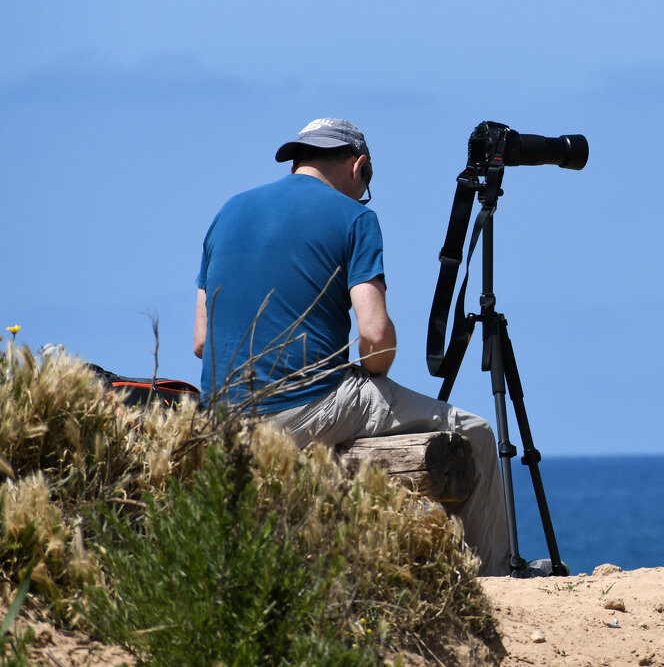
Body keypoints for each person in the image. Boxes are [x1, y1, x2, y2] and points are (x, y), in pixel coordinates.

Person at [192, 118, 512, 576]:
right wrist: (370, 371)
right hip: (302, 410)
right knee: (475, 434)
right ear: (358, 166)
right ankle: (497, 582)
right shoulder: (355, 218)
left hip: (222, 419)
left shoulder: (228, 212)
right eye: (367, 184)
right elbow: (375, 338)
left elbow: (202, 342)